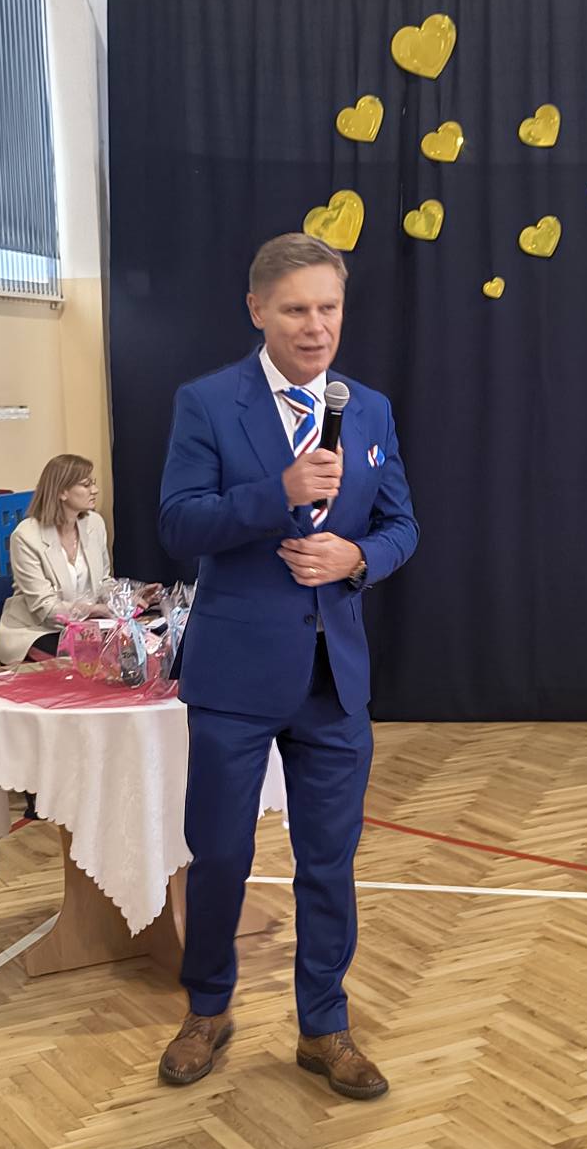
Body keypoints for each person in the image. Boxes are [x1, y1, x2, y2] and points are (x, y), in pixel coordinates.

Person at [157, 233, 419, 1100]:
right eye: (297, 309)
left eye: (328, 308)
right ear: (258, 310)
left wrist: (358, 557)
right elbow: (180, 525)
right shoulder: (207, 403)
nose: (316, 327)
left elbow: (402, 526)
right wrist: (280, 493)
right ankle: (207, 1010)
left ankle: (324, 1028)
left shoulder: (368, 408)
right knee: (220, 855)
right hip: (234, 678)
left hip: (333, 680)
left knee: (329, 863)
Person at [0, 454, 113, 665]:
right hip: (38, 631)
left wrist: (128, 599)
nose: (94, 490)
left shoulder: (94, 523)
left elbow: (103, 581)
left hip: (84, 626)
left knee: (129, 646)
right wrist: (94, 610)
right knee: (95, 661)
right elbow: (46, 608)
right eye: (86, 485)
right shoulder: (26, 537)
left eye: (92, 483)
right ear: (61, 492)